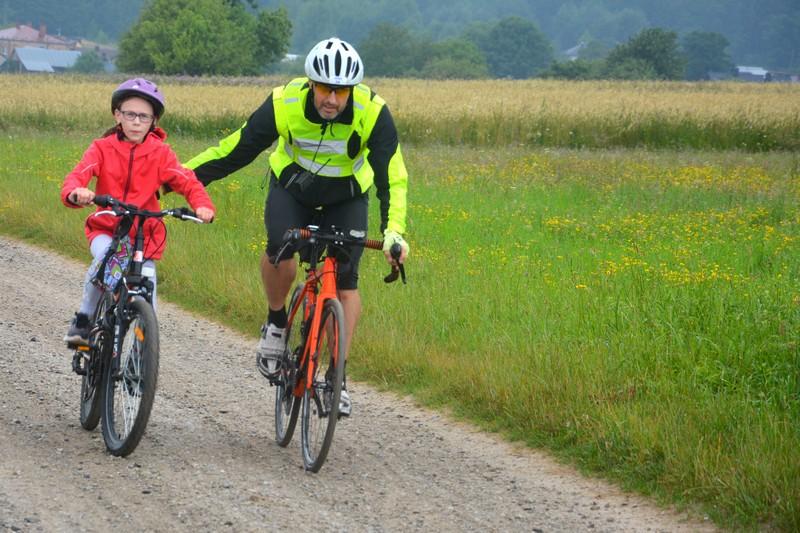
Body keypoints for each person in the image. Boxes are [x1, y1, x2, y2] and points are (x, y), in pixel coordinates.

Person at [186, 37, 410, 416]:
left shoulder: (372, 111)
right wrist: (176, 180)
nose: (332, 100)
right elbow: (234, 150)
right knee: (281, 249)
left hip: (347, 196)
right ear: (310, 84)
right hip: (293, 189)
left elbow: (393, 176)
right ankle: (276, 323)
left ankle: (337, 376)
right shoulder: (284, 102)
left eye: (341, 91)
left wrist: (394, 232)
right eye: (324, 89)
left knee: (345, 281)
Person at [62, 78, 216, 346]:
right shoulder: (102, 148)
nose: (136, 122)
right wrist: (77, 192)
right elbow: (78, 175)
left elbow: (187, 181)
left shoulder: (161, 153)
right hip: (107, 229)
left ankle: (142, 353)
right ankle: (84, 319)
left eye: (143, 117)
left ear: (154, 121)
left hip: (144, 236)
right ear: (117, 115)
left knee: (148, 289)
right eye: (130, 114)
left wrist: (202, 205)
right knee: (106, 260)